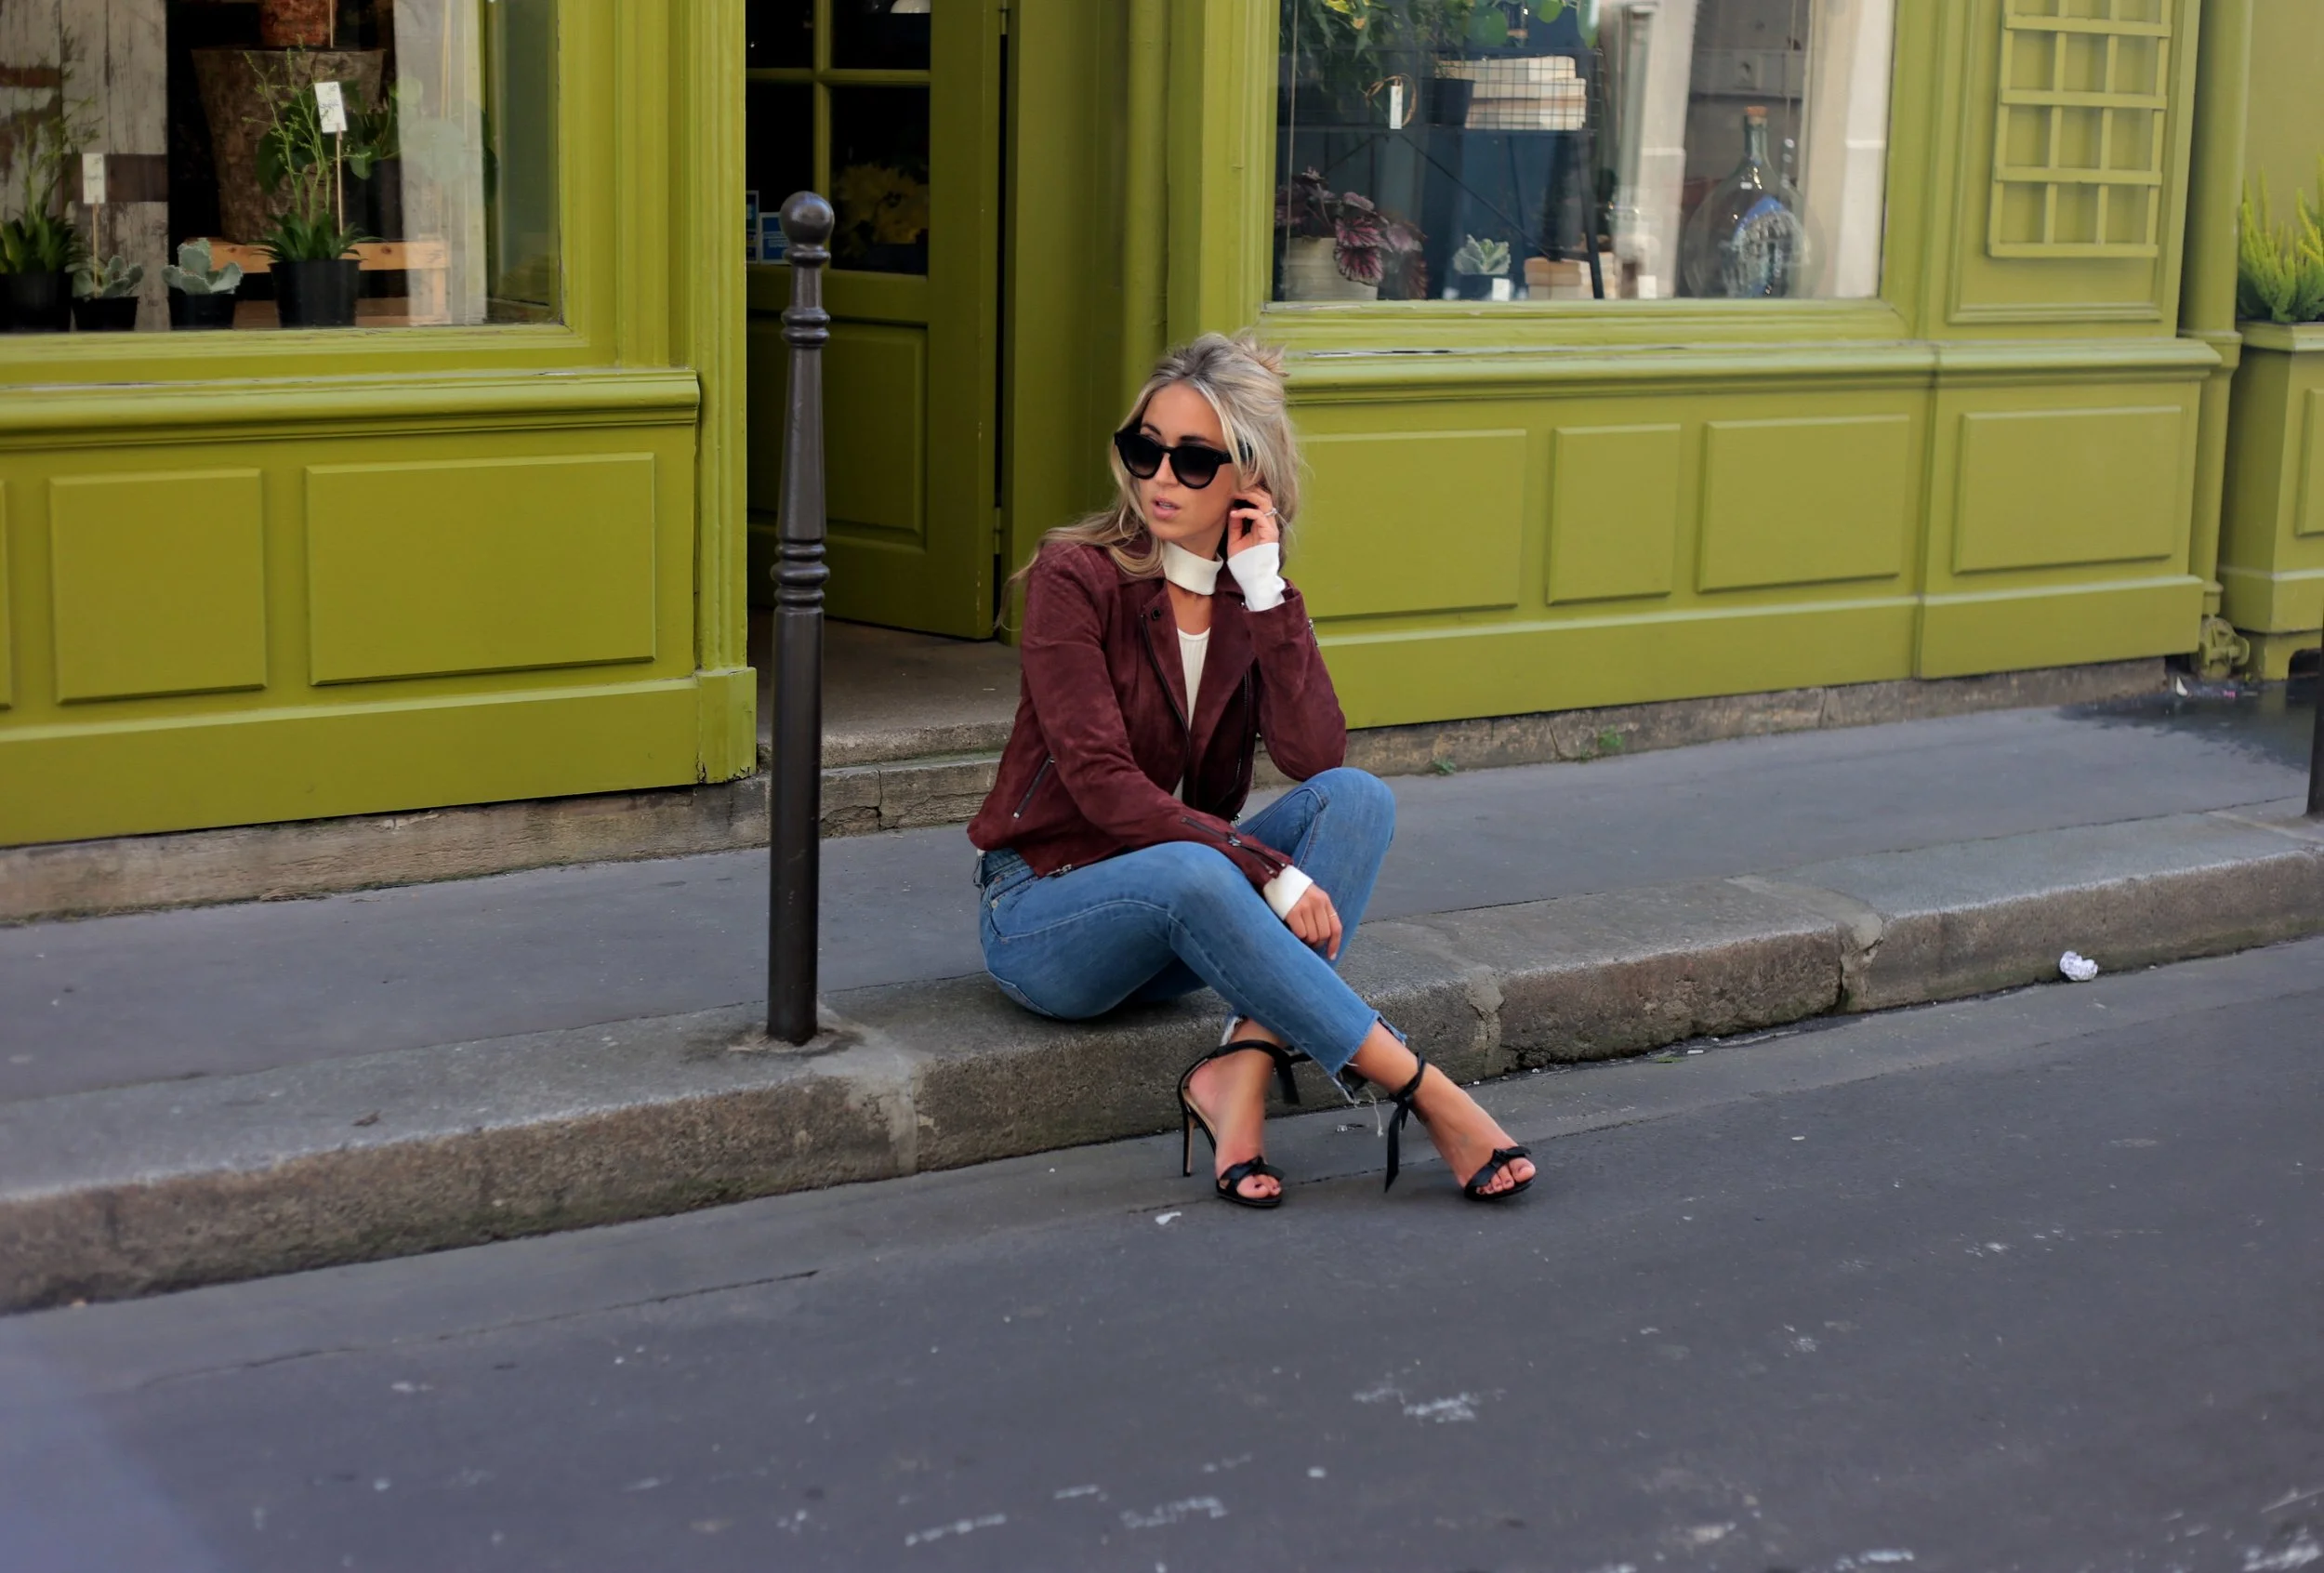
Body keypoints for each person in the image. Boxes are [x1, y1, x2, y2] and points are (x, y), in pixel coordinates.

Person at [965, 333, 1536, 1208]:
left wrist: (1267, 593)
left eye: (1194, 460)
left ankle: (1240, 1075)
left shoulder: (1246, 593)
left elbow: (1315, 758)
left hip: (1179, 915)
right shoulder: (1075, 576)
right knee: (1196, 869)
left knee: (1356, 800)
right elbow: (1101, 781)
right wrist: (1265, 869)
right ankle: (1427, 1092)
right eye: (1146, 449)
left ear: (1249, 476)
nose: (1161, 477)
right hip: (1046, 913)